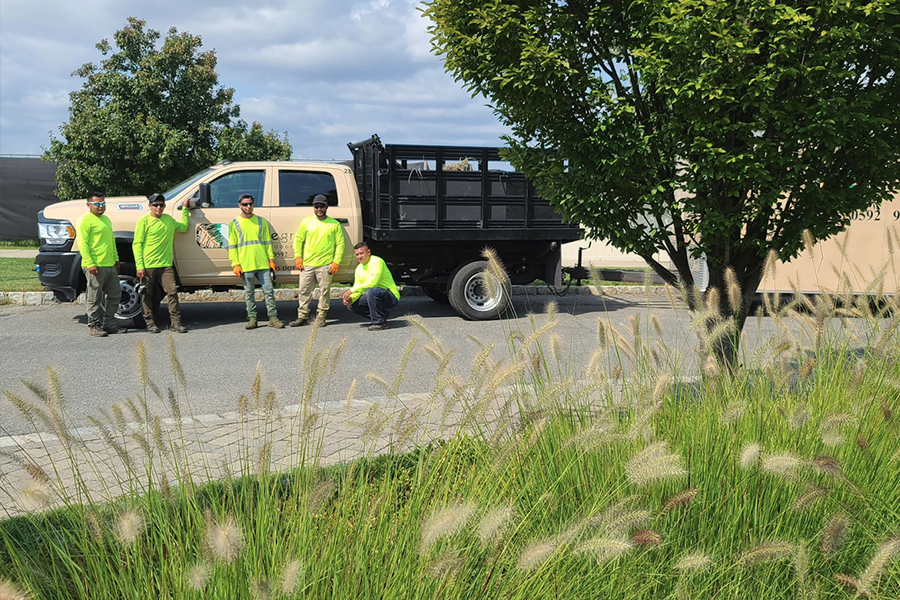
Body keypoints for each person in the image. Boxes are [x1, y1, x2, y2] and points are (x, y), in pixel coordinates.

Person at [133, 193, 191, 333]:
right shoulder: (144, 221)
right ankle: (150, 323)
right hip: (148, 265)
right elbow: (137, 244)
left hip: (166, 265)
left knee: (172, 292)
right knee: (147, 294)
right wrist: (140, 266)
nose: (158, 207)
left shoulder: (169, 220)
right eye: (155, 205)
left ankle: (176, 323)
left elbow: (183, 227)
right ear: (150, 206)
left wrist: (185, 209)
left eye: (161, 205)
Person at [228, 193, 284, 329]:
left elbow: (267, 243)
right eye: (245, 204)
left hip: (262, 263)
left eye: (250, 204)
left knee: (269, 291)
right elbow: (232, 246)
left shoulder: (261, 221)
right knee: (249, 293)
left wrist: (271, 260)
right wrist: (235, 264)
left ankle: (273, 318)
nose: (248, 206)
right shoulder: (234, 224)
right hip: (246, 264)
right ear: (239, 205)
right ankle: (252, 319)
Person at [290, 194, 345, 328]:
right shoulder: (306, 222)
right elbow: (298, 240)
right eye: (316, 206)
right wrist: (297, 257)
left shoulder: (334, 224)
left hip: (326, 265)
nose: (319, 209)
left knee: (324, 291)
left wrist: (336, 262)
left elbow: (340, 244)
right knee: (304, 291)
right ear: (313, 207)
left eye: (322, 206)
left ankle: (321, 317)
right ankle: (302, 316)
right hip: (307, 264)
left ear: (327, 207)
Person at [76, 192, 122, 337]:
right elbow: (83, 243)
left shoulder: (106, 220)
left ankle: (109, 323)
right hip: (95, 265)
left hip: (109, 264)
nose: (100, 206)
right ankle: (94, 325)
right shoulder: (85, 220)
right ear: (88, 205)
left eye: (103, 203)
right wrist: (90, 263)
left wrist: (115, 258)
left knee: (115, 294)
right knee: (95, 296)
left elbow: (111, 241)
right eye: (97, 204)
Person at [342, 242, 400, 330]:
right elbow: (358, 287)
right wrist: (351, 298)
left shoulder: (377, 261)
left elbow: (373, 283)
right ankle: (381, 316)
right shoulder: (358, 269)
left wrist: (351, 290)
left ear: (368, 252)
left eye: (362, 253)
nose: (359, 257)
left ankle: (379, 323)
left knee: (371, 291)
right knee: (352, 305)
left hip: (390, 296)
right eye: (357, 254)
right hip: (375, 295)